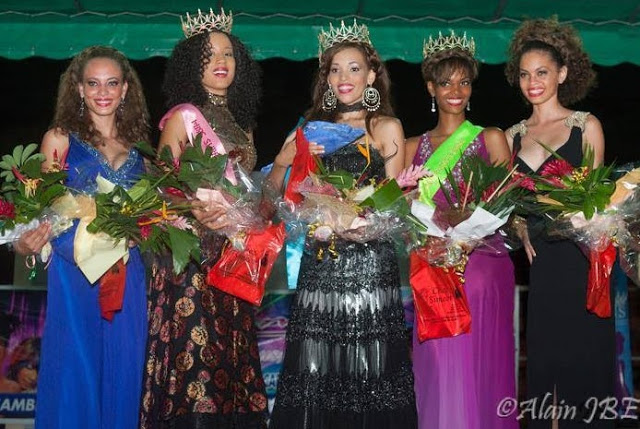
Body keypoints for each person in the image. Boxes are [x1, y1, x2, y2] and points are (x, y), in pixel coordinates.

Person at [267, 20, 417, 429]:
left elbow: (396, 204)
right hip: (321, 260)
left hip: (371, 262)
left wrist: (363, 223)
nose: (343, 77)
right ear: (326, 78)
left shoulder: (386, 127)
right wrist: (287, 160)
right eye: (334, 69)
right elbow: (275, 199)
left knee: (372, 365)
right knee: (317, 365)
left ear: (371, 74)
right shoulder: (310, 128)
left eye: (353, 68)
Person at [139, 9, 268, 429]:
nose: (221, 61)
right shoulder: (182, 117)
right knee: (197, 367)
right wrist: (194, 208)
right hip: (191, 262)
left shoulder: (244, 125)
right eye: (209, 54)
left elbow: (250, 193)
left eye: (228, 53)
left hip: (233, 260)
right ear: (191, 65)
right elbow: (159, 190)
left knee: (231, 362)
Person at [14, 45, 150, 428]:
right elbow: (39, 210)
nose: (102, 92)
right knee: (78, 368)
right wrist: (27, 243)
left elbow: (152, 215)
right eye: (93, 83)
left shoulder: (141, 150)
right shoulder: (59, 140)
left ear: (125, 89)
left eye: (111, 83)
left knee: (127, 366)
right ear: (78, 89)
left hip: (128, 272)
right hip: (76, 274)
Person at [404, 31, 517, 429]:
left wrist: (466, 238)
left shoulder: (491, 137)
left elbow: (505, 200)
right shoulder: (409, 145)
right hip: (432, 264)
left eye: (464, 82)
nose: (456, 90)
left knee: (479, 359)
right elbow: (400, 210)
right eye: (446, 81)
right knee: (438, 361)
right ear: (430, 87)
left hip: (482, 263)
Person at [504, 18, 613, 429]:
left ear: (563, 74)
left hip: (580, 260)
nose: (533, 82)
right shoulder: (512, 135)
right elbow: (505, 205)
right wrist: (516, 225)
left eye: (543, 73)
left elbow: (595, 202)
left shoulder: (585, 126)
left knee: (582, 364)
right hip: (543, 266)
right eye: (525, 74)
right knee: (546, 365)